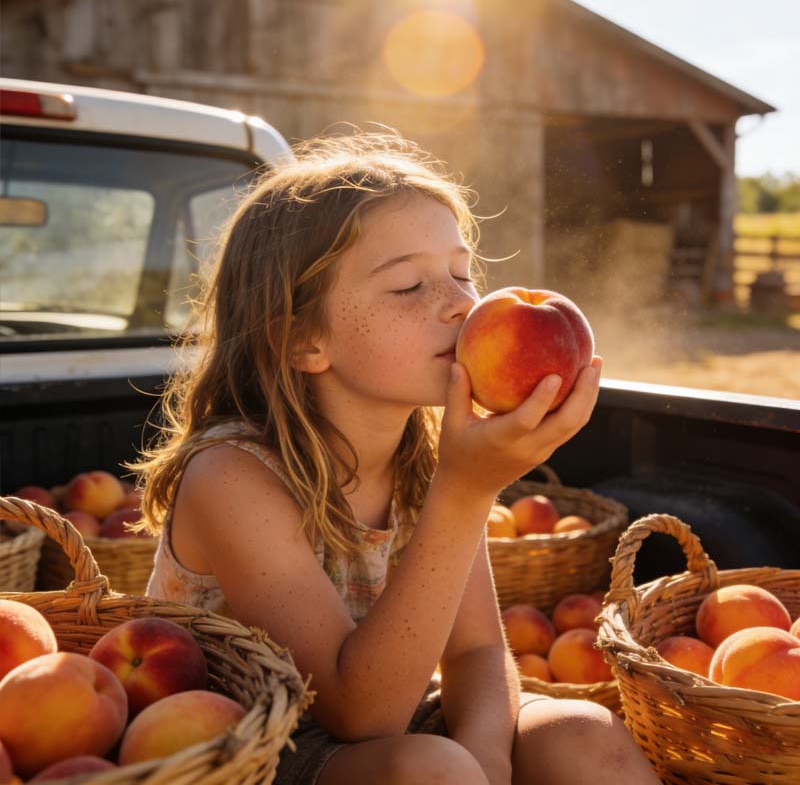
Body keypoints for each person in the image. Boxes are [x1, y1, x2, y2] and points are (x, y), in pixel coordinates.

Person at [135, 132, 660, 785]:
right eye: (411, 285)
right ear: (303, 340)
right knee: (428, 768)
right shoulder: (232, 478)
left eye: (462, 274)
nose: (465, 303)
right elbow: (360, 712)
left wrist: (490, 761)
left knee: (587, 736)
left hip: (401, 720)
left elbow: (475, 651)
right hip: (250, 752)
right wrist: (466, 493)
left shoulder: (429, 461)